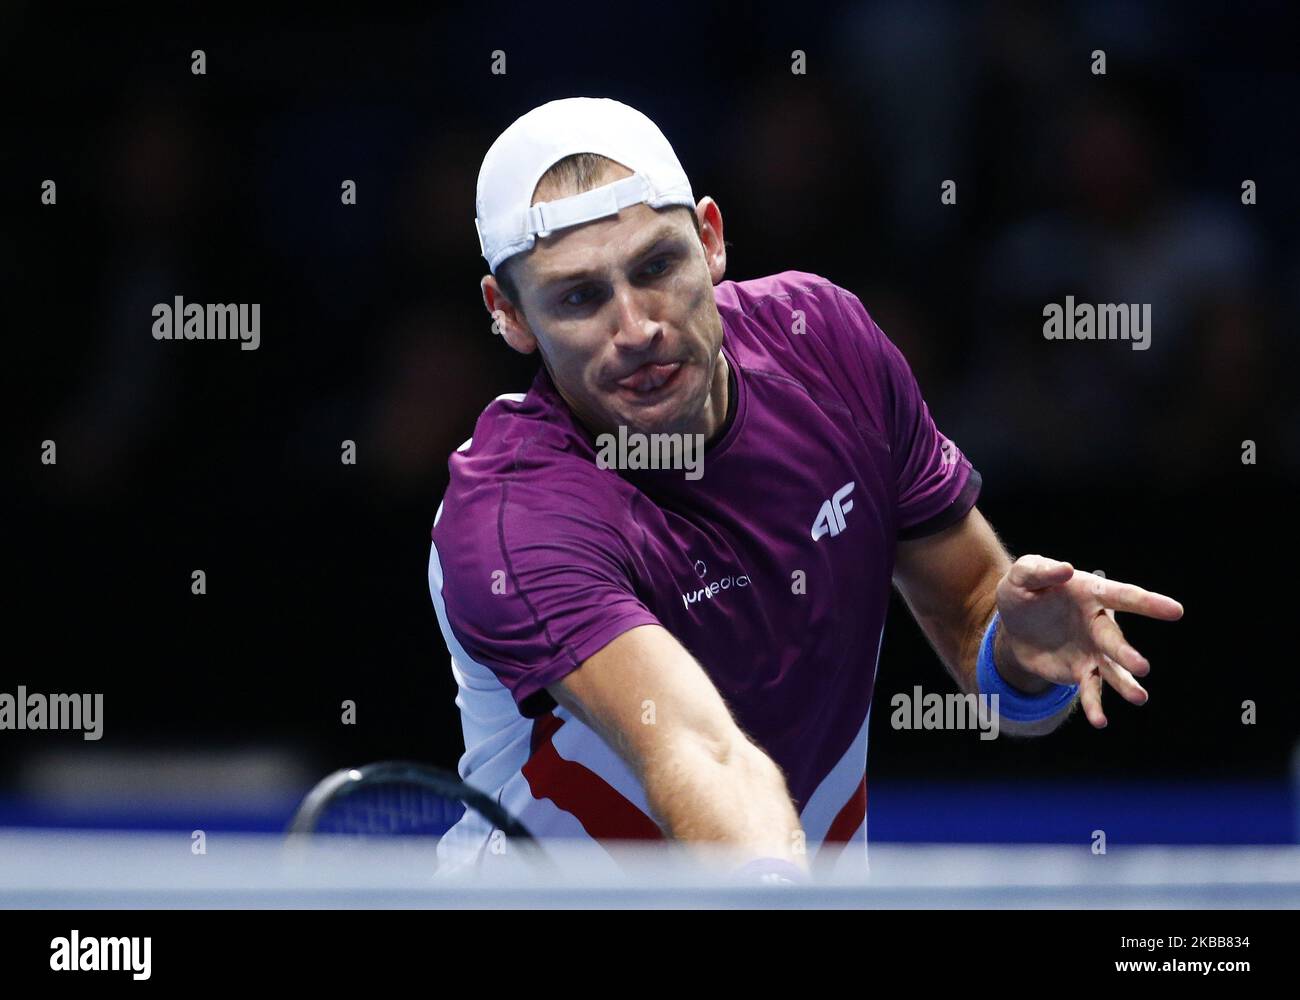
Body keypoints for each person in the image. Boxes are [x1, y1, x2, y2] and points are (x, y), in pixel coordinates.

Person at [427, 97, 1183, 881]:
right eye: (579, 297)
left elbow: (968, 613)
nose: (637, 326)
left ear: (711, 240)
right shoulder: (514, 518)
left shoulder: (825, 346)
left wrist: (1015, 658)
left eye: (657, 266)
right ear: (509, 315)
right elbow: (698, 750)